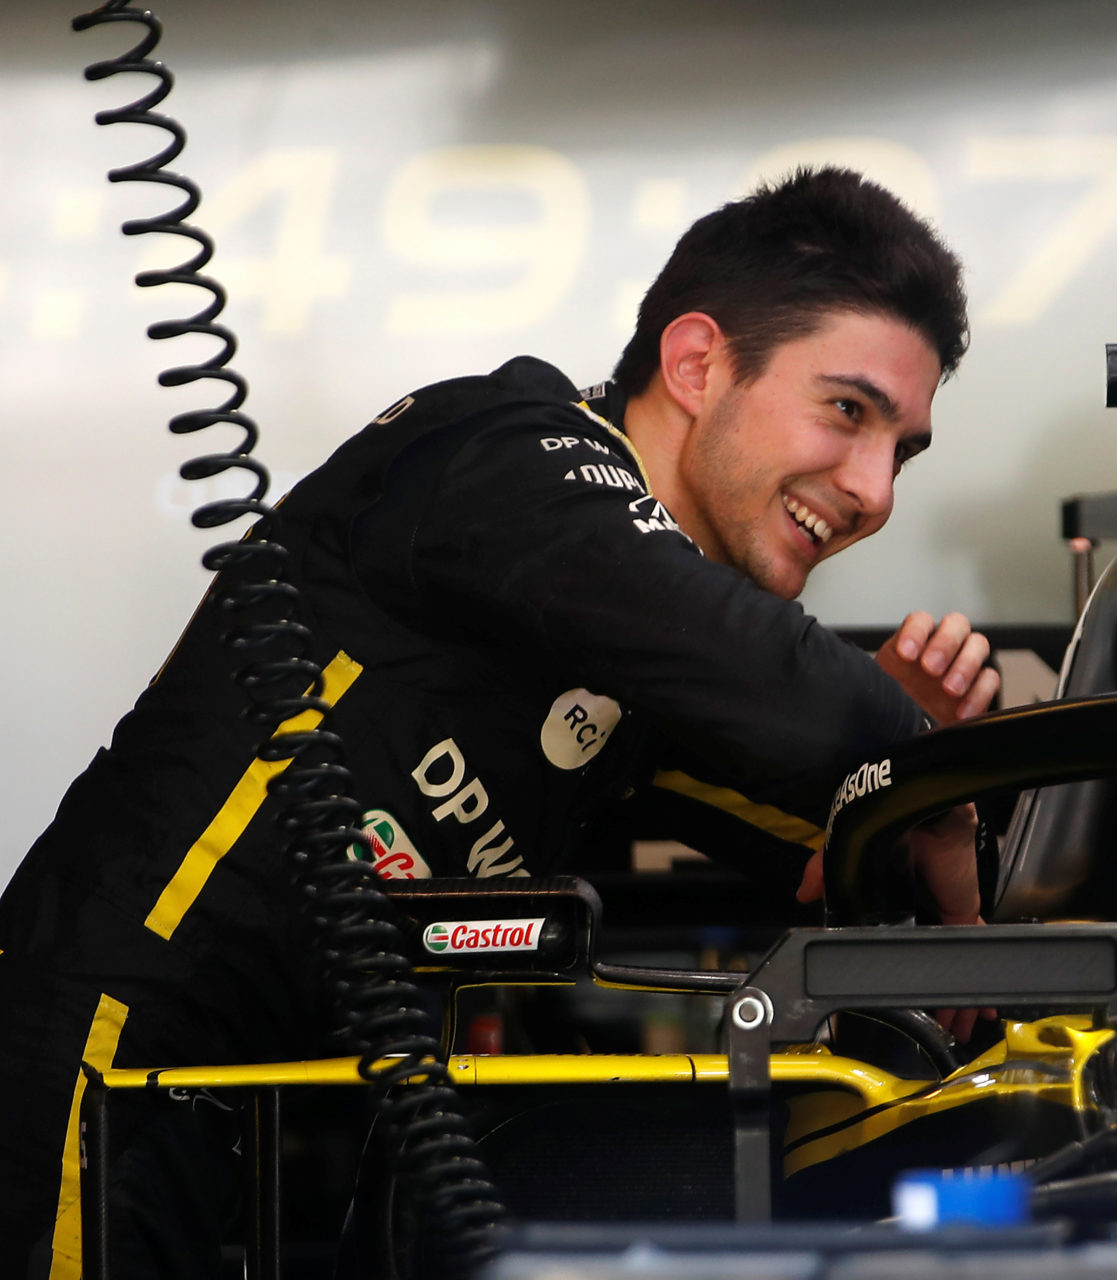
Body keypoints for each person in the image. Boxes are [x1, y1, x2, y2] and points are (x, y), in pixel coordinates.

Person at [0, 167, 998, 1278]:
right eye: (848, 412)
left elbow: (830, 849)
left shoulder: (643, 654)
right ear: (697, 362)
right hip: (92, 1059)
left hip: (260, 1118)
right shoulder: (508, 452)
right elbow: (808, 703)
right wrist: (920, 755)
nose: (873, 489)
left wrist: (936, 801)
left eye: (900, 449)